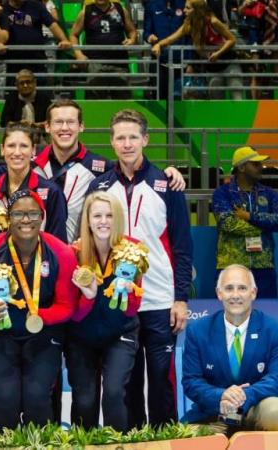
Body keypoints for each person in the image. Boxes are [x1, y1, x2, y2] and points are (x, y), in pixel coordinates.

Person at [87, 109, 192, 428]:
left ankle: (165, 437)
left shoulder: (166, 184)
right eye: (120, 137)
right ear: (112, 142)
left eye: (133, 137)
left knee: (161, 378)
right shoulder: (101, 185)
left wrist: (181, 298)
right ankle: (134, 438)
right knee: (126, 380)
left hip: (159, 299)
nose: (127, 143)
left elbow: (183, 247)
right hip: (118, 299)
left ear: (145, 139)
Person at [0, 189, 79, 428]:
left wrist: (40, 316)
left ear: (42, 217)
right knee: (6, 399)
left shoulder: (61, 253)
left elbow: (67, 306)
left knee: (37, 398)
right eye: (18, 214)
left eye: (32, 214)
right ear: (8, 218)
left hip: (43, 336)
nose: (26, 220)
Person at [33, 99, 185, 243]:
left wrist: (167, 173)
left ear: (81, 126)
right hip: (38, 257)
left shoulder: (101, 167)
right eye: (58, 122)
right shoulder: (32, 167)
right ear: (47, 127)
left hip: (80, 257)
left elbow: (131, 171)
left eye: (71, 122)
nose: (64, 127)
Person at [66, 192, 143, 431]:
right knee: (85, 399)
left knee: (112, 392)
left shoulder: (132, 250)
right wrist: (89, 297)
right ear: (87, 219)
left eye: (110, 215)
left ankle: (116, 444)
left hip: (120, 332)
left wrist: (128, 292)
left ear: (118, 218)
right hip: (81, 336)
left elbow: (132, 309)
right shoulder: (73, 253)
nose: (103, 221)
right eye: (97, 215)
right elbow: (74, 315)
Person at [183, 264, 278, 430]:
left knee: (275, 412)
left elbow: (275, 378)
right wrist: (221, 396)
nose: (235, 295)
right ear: (219, 293)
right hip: (213, 411)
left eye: (242, 288)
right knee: (184, 438)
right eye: (229, 288)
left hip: (255, 408)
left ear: (253, 293)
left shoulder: (273, 329)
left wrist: (244, 396)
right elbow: (191, 381)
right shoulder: (197, 331)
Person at [212, 146, 278, 298]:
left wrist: (249, 216)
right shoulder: (223, 193)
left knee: (266, 315)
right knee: (228, 315)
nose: (261, 167)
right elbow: (228, 223)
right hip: (230, 265)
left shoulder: (268, 193)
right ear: (241, 167)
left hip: (263, 266)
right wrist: (264, 226)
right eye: (255, 164)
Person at [151, 0, 243, 100]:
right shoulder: (188, 25)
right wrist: (158, 45)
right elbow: (170, 39)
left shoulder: (213, 21)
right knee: (216, 101)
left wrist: (218, 53)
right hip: (212, 68)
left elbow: (232, 39)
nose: (184, 10)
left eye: (188, 8)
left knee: (237, 98)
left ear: (197, 10)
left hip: (229, 63)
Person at [0, 122, 68, 242]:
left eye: (24, 146)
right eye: (11, 146)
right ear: (2, 149)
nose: (17, 152)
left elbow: (58, 245)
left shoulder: (52, 192)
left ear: (33, 150)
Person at [70, 0, 138, 99]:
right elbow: (73, 35)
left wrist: (132, 40)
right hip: (95, 64)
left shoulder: (120, 9)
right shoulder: (86, 11)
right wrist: (78, 54)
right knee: (94, 101)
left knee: (123, 100)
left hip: (119, 63)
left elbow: (132, 31)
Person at [0, 0, 72, 78]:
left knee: (43, 88)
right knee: (14, 89)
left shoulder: (36, 5)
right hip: (14, 62)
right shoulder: (3, 9)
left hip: (37, 60)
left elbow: (52, 24)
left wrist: (63, 39)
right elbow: (2, 37)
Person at [144, 0, 187, 100]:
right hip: (159, 62)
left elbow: (189, 35)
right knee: (159, 99)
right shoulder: (151, 6)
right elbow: (146, 32)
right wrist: (149, 37)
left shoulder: (184, 5)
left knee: (181, 101)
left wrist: (190, 63)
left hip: (181, 63)